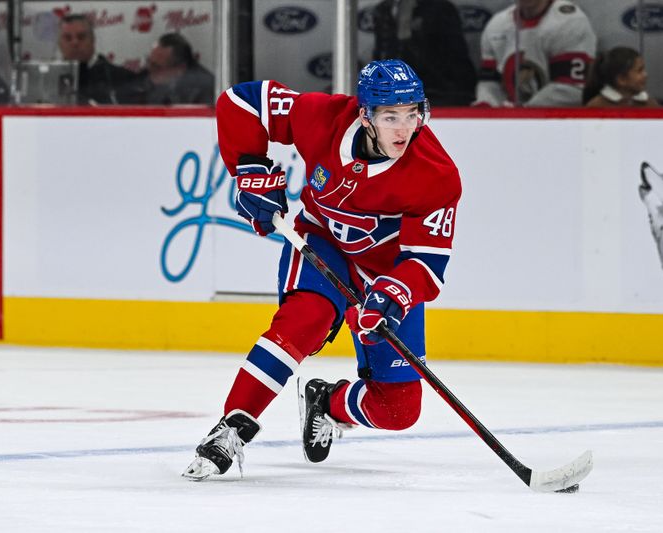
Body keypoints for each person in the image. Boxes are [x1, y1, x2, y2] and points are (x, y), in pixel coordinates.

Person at [182, 59, 461, 480]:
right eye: (390, 117)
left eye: (412, 114)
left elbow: (427, 262)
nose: (404, 129)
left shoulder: (436, 175)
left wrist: (393, 294)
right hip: (321, 241)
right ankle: (232, 426)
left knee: (398, 411)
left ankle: (326, 401)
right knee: (304, 322)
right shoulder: (321, 116)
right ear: (365, 115)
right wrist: (250, 169)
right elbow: (241, 102)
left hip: (386, 274)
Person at [476, 0, 596, 107]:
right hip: (511, 119)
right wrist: (487, 106)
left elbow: (572, 89)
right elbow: (489, 82)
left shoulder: (570, 20)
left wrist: (524, 112)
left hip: (559, 123)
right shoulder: (497, 25)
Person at [371, 0, 477, 106]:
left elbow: (456, 55)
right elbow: (382, 50)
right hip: (393, 92)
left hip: (437, 92)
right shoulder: (383, 9)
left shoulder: (441, 8)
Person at [57, 14, 141, 104]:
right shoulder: (48, 80)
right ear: (59, 44)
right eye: (68, 38)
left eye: (81, 37)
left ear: (93, 40)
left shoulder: (124, 79)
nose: (75, 43)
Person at [141, 33, 215, 105]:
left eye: (156, 67)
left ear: (180, 68)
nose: (149, 69)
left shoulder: (205, 89)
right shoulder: (147, 81)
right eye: (148, 61)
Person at [582, 47, 658, 107]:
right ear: (621, 79)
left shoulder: (650, 104)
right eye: (639, 71)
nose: (645, 75)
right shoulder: (597, 106)